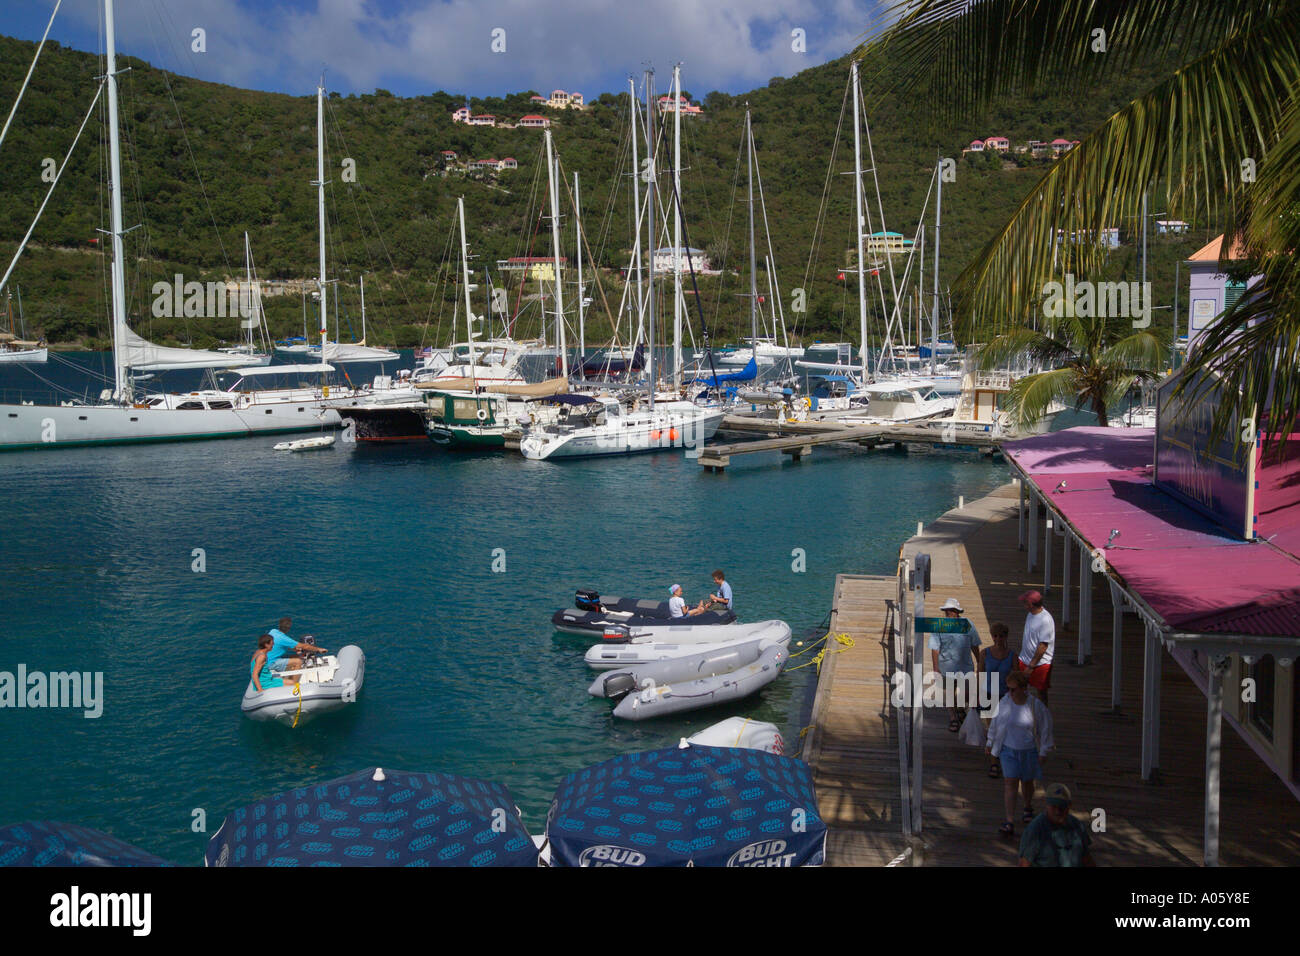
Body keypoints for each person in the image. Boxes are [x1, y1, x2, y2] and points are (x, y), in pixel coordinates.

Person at [986, 669, 1054, 838]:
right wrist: (990, 742)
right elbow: (995, 723)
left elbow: (1046, 728)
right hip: (1008, 750)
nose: (1010, 692)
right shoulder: (1004, 703)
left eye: (1013, 689)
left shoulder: (1035, 706)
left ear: (1023, 689)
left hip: (1029, 750)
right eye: (1008, 688)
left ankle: (1028, 806)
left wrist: (1044, 750)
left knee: (1027, 782)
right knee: (1010, 783)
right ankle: (1009, 820)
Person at [929, 597, 981, 732]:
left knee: (968, 692)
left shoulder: (967, 624)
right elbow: (935, 648)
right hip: (946, 666)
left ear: (958, 612)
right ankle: (953, 717)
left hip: (966, 666)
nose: (948, 613)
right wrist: (935, 668)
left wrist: (980, 661)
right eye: (946, 610)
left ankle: (960, 708)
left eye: (951, 610)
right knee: (949, 692)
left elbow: (975, 644)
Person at [1019, 783, 1095, 867]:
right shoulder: (1035, 830)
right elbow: (1024, 863)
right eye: (1053, 807)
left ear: (1069, 806)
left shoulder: (1077, 825)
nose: (1057, 811)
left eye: (1061, 807)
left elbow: (1087, 858)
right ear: (1046, 805)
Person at [980, 622, 1016, 777]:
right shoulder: (985, 653)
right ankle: (994, 763)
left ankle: (1003, 758)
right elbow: (980, 674)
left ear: (1006, 637)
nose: (998, 639)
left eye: (1001, 636)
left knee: (1004, 730)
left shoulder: (1013, 656)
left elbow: (1016, 677)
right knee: (992, 731)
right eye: (995, 636)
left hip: (1005, 696)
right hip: (988, 694)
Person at [1015, 590, 1055, 705]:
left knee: (1041, 693)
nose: (1023, 604)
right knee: (1020, 689)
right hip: (1024, 660)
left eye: (1025, 602)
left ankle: (1043, 716)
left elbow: (1043, 646)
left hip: (1041, 664)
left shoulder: (1045, 620)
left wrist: (1031, 666)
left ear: (1031, 604)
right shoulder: (1030, 614)